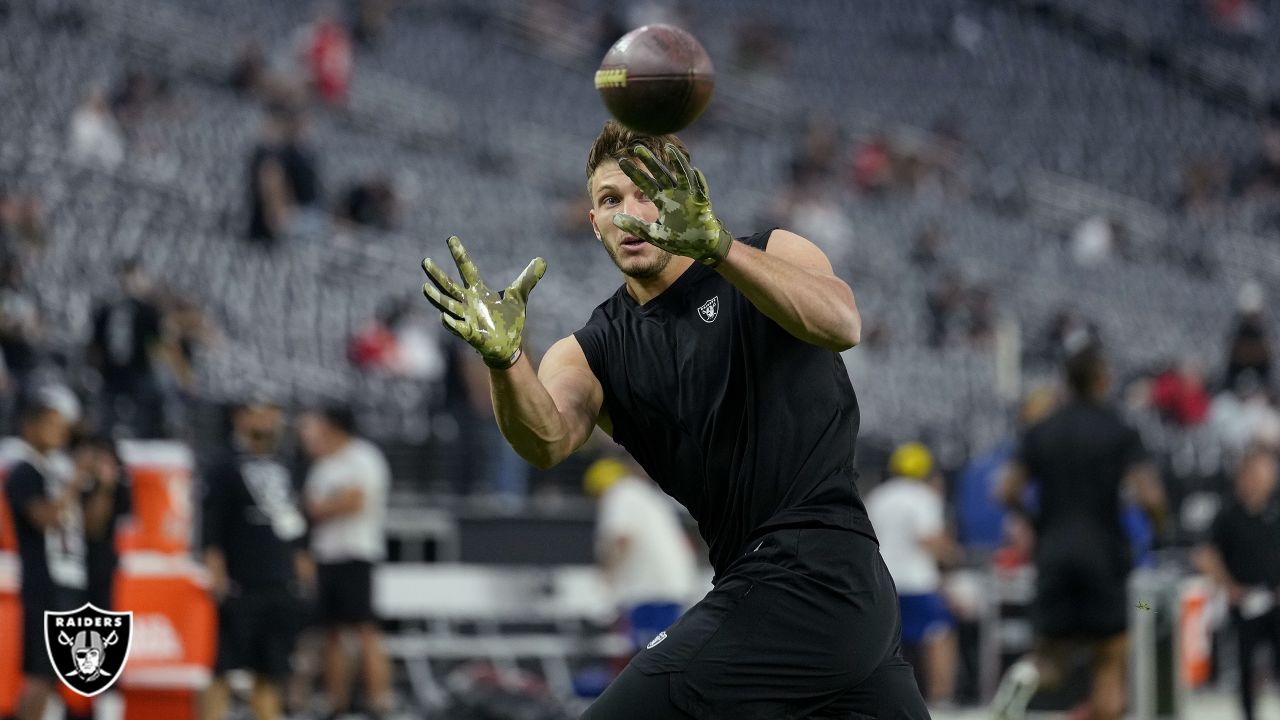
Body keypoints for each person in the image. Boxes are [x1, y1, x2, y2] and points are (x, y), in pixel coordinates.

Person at [418, 119, 929, 718]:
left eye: (645, 193)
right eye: (610, 199)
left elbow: (841, 323)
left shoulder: (770, 252)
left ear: (686, 195)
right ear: (592, 221)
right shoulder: (592, 349)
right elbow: (546, 440)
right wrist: (504, 362)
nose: (628, 212)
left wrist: (720, 249)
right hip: (797, 590)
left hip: (811, 569)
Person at [992, 344, 1167, 720]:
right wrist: (1158, 528)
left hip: (1054, 553)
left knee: (1050, 659)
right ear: (1103, 380)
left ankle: (1024, 678)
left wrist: (1038, 521)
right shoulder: (1119, 430)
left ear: (1066, 382)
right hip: (1104, 556)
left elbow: (1005, 490)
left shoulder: (1041, 431)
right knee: (1109, 662)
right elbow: (1150, 495)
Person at [201, 400, 312, 720]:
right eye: (256, 413)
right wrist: (216, 567)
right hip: (239, 581)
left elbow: (297, 523)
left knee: (270, 672)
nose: (264, 421)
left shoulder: (290, 465)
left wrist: (302, 564)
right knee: (221, 668)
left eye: (270, 413)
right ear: (240, 419)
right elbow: (212, 524)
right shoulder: (223, 465)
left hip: (279, 581)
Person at [3, 387, 100, 720]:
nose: (59, 432)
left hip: (68, 581)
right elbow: (42, 518)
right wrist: (75, 481)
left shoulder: (53, 471)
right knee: (41, 675)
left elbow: (88, 528)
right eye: (51, 423)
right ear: (30, 426)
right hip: (42, 583)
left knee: (63, 675)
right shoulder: (24, 471)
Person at [298, 405, 392, 719]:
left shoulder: (363, 457)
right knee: (333, 632)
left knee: (365, 629)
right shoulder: (324, 465)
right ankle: (335, 702)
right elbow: (311, 508)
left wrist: (327, 506)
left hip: (356, 552)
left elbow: (354, 502)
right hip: (328, 554)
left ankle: (380, 701)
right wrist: (329, 505)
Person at [865, 442, 960, 707]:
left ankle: (879, 698)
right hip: (918, 583)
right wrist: (954, 554)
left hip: (882, 581)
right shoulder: (923, 496)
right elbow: (928, 539)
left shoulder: (878, 496)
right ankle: (941, 697)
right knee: (939, 636)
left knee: (884, 645)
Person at [1195, 447, 1280, 720]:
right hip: (1243, 600)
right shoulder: (1228, 514)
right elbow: (1206, 555)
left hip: (1275, 598)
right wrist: (1228, 586)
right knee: (1245, 665)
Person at [584, 456, 698, 659]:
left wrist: (607, 576)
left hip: (651, 588)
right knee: (663, 650)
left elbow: (621, 539)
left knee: (650, 654)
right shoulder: (643, 493)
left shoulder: (620, 493)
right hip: (669, 583)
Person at [87, 258, 167, 439]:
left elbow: (156, 342)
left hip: (137, 369)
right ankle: (108, 439)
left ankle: (142, 437)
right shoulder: (107, 308)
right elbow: (96, 344)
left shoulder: (147, 310)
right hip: (114, 371)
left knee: (142, 408)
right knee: (110, 409)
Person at [71, 434, 131, 611]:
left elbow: (97, 529)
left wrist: (105, 488)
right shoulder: (76, 483)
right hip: (72, 562)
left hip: (101, 561)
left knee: (100, 613)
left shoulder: (119, 488)